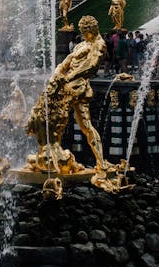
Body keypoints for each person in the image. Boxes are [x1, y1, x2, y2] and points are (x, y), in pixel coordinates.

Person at [26, 15, 107, 172]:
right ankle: (51, 152)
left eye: (85, 32)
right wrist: (57, 73)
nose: (83, 35)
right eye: (82, 32)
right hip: (66, 84)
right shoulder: (81, 44)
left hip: (79, 87)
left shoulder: (99, 44)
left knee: (72, 120)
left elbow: (91, 66)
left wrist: (68, 77)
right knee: (81, 124)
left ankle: (100, 162)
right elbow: (66, 62)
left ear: (92, 29)